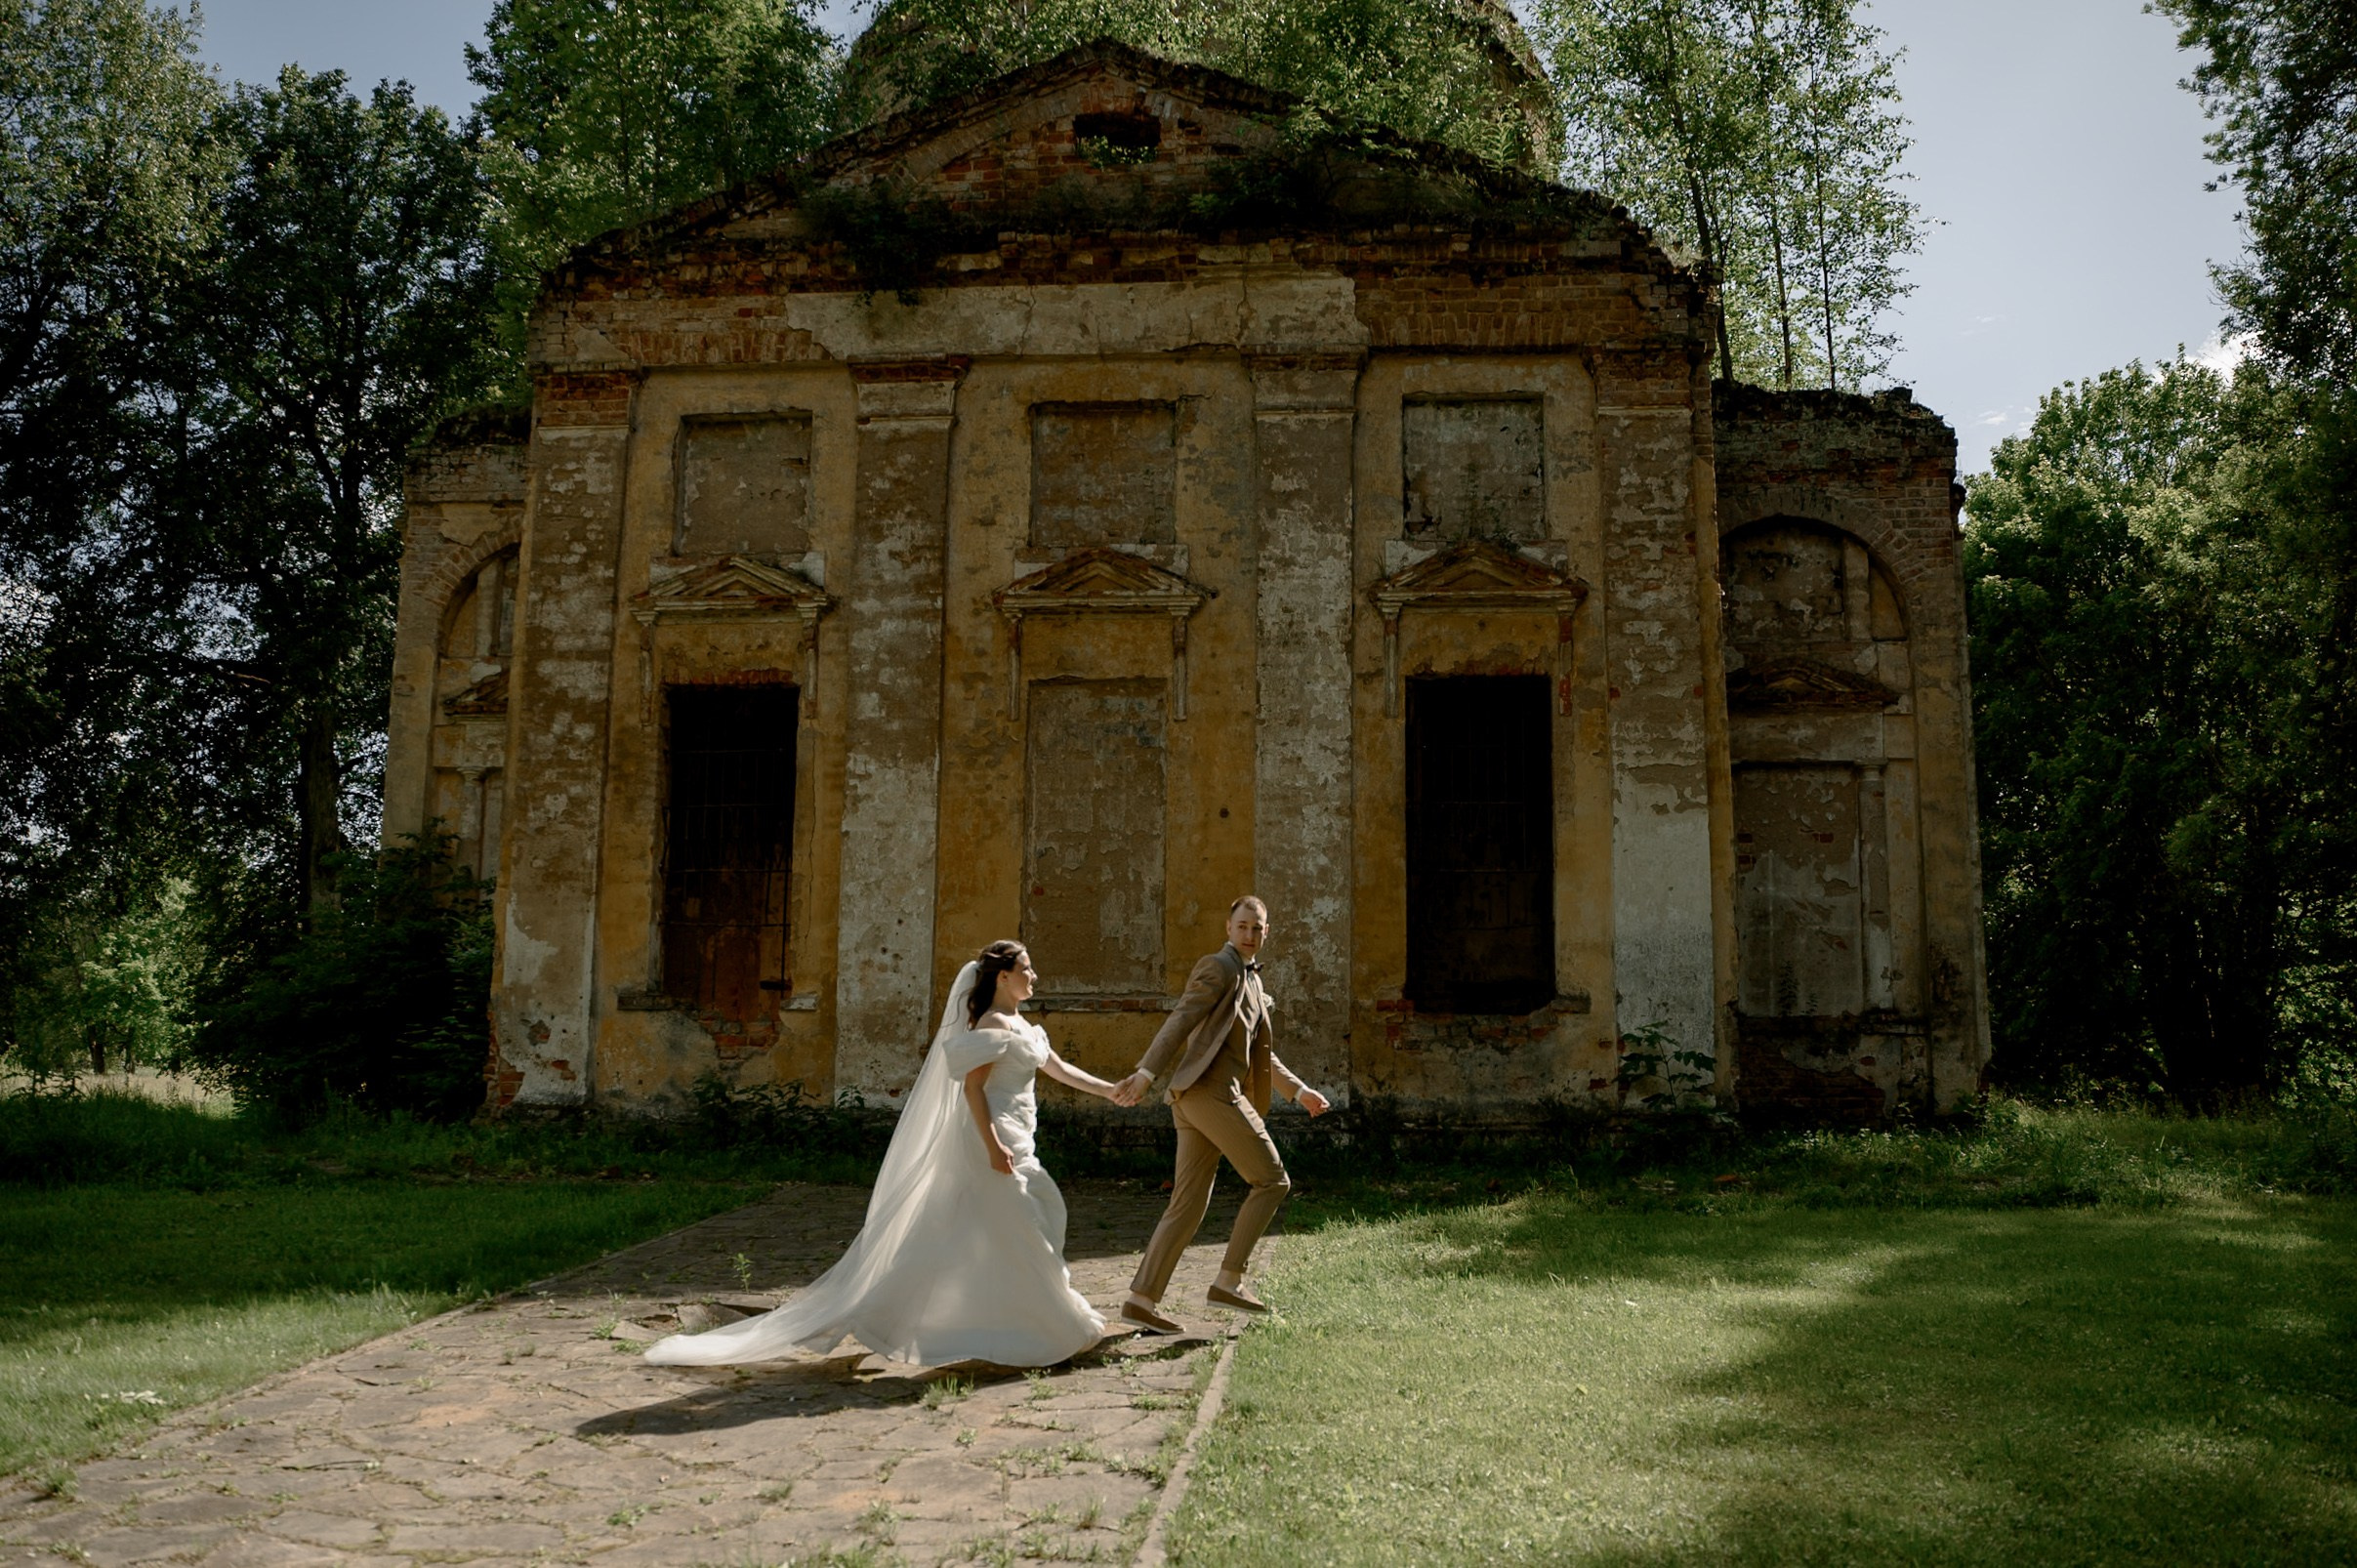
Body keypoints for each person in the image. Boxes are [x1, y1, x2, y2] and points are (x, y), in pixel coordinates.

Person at [643, 941, 1127, 1369]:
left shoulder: (1024, 1026)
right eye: (1027, 968)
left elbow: (1060, 1070)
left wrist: (1111, 1091)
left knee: (1015, 1222)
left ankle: (965, 1317)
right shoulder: (991, 1024)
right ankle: (1050, 1327)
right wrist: (993, 1145)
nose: (1034, 976)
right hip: (995, 1138)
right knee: (1023, 1225)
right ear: (1003, 976)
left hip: (1022, 1136)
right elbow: (973, 1092)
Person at [1106, 896, 1330, 1331]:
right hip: (1210, 1095)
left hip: (1195, 1100)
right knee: (1271, 1180)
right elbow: (1181, 1020)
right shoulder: (1220, 967)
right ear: (1228, 928)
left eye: (1257, 928)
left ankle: (1140, 1300)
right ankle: (1229, 1281)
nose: (1249, 935)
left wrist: (1299, 1091)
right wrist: (1146, 1073)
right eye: (1242, 926)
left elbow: (1262, 1054)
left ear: (1267, 932)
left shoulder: (1252, 981)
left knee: (1187, 1205)